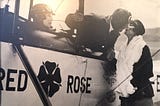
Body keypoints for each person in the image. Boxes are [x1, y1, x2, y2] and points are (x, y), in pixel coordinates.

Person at [114, 19, 154, 106]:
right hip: (126, 96)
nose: (127, 28)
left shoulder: (142, 46)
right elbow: (120, 66)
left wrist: (132, 85)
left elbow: (147, 72)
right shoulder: (123, 47)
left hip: (141, 95)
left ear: (135, 31)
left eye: (130, 27)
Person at [65, 8, 131, 59]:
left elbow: (108, 46)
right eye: (125, 25)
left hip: (92, 62)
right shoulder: (93, 19)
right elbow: (69, 21)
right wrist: (72, 18)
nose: (126, 27)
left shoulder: (116, 34)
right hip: (77, 56)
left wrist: (109, 51)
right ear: (118, 22)